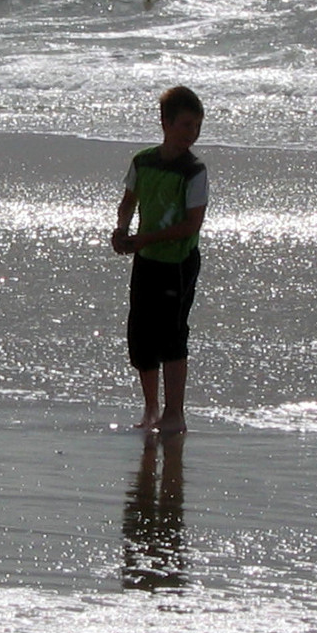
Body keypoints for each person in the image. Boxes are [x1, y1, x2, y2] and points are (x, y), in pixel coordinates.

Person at [110, 86, 208, 435]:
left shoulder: (194, 171)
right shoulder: (144, 161)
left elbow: (191, 224)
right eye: (185, 125)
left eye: (196, 126)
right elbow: (128, 202)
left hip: (178, 262)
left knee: (172, 336)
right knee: (140, 336)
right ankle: (151, 407)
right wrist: (121, 230)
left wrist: (144, 239)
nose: (191, 134)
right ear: (165, 123)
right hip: (146, 259)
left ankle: (175, 412)